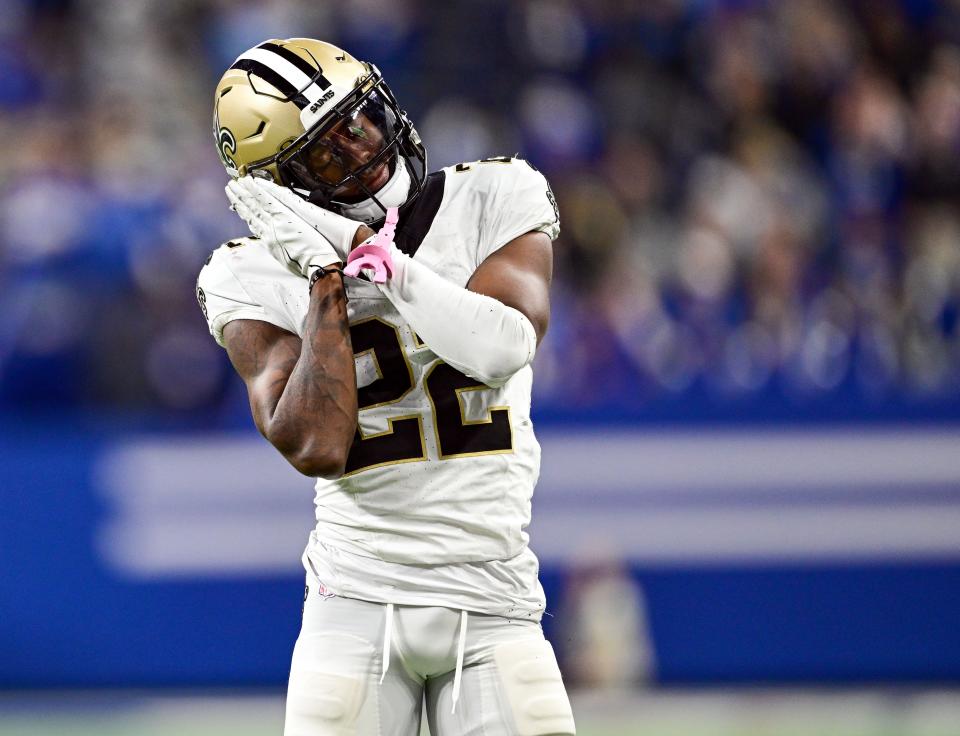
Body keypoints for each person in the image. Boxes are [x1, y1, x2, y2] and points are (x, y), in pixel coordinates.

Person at [196, 38, 575, 736]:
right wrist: (324, 285)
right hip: (355, 605)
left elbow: (503, 346)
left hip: (495, 598)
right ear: (280, 187)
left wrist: (385, 267)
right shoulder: (245, 274)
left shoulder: (496, 192)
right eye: (326, 152)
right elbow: (315, 443)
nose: (364, 149)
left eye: (360, 119)